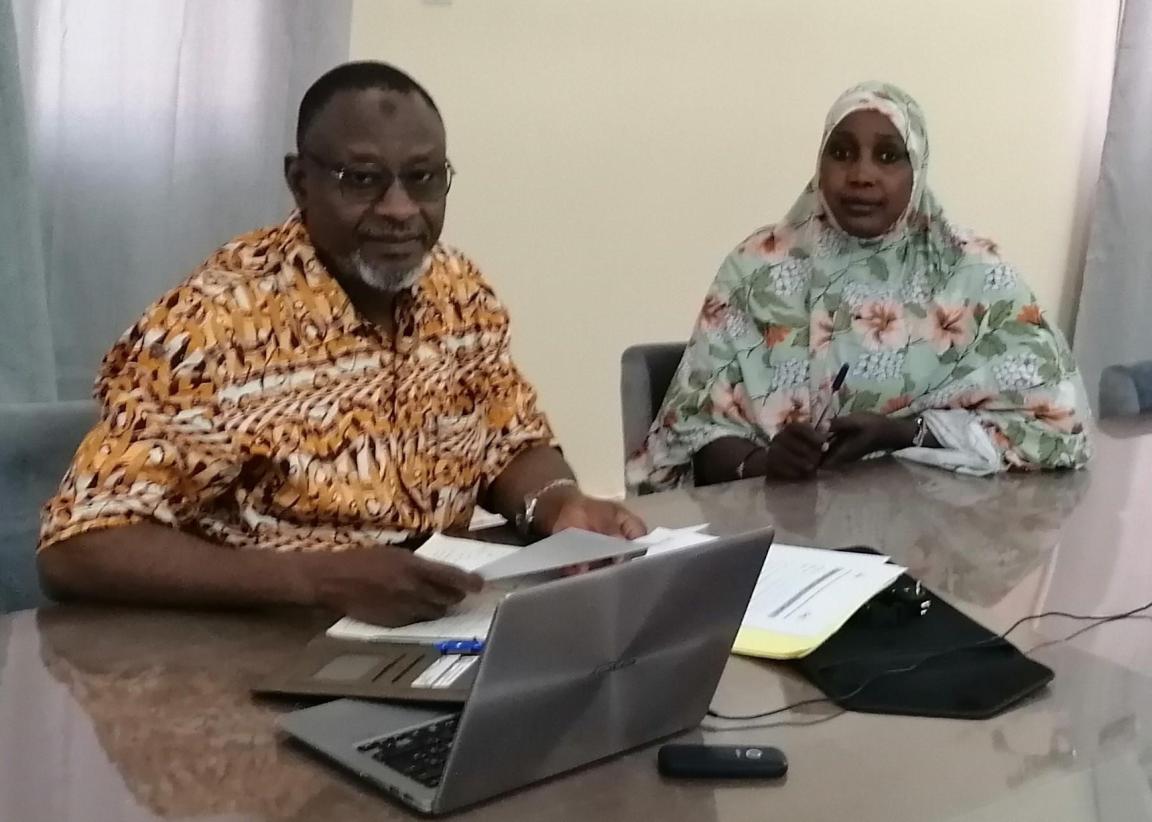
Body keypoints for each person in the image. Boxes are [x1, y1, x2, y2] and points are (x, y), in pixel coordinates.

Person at [38, 61, 646, 627]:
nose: (401, 209)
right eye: (363, 180)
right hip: (253, 653)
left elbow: (509, 444)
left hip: (433, 626)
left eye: (424, 178)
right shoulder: (213, 325)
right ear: (300, 182)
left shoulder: (458, 290)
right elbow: (81, 547)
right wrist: (312, 580)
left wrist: (560, 505)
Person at [628, 82, 1091, 494]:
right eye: (842, 152)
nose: (861, 175)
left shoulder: (973, 274)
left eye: (888, 156)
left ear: (918, 171)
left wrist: (903, 432)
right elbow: (693, 434)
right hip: (778, 533)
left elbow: (1055, 428)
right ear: (820, 162)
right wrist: (766, 463)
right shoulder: (759, 268)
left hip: (934, 533)